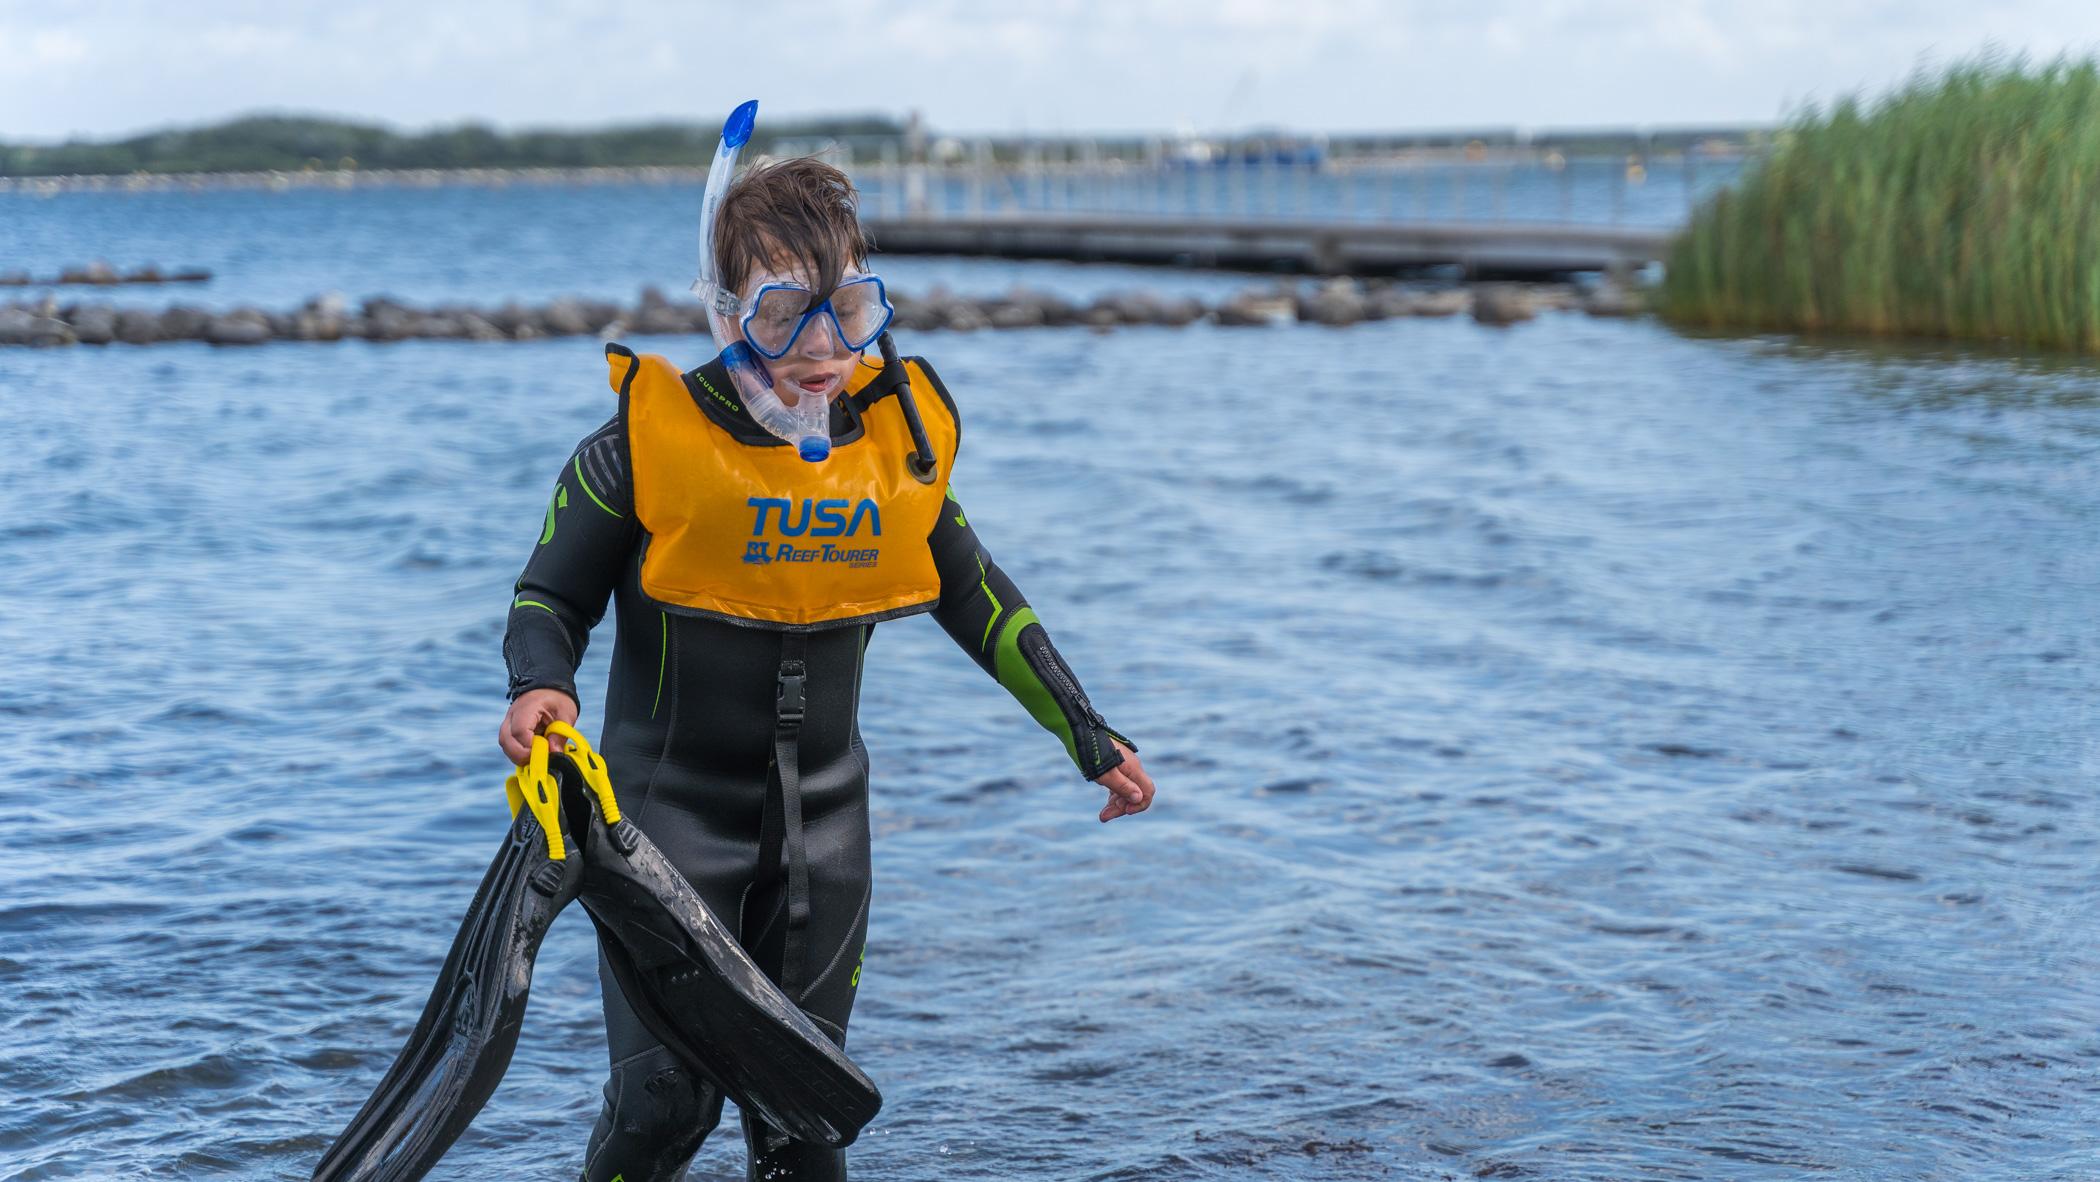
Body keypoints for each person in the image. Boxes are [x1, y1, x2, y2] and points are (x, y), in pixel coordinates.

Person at [497, 129, 1155, 1181]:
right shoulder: (640, 448)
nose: (820, 345)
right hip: (662, 831)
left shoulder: (888, 454)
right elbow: (549, 595)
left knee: (808, 1117)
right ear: (725, 313)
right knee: (665, 1103)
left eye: (846, 311)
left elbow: (979, 595)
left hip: (827, 830)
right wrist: (540, 686)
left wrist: (1088, 732)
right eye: (779, 312)